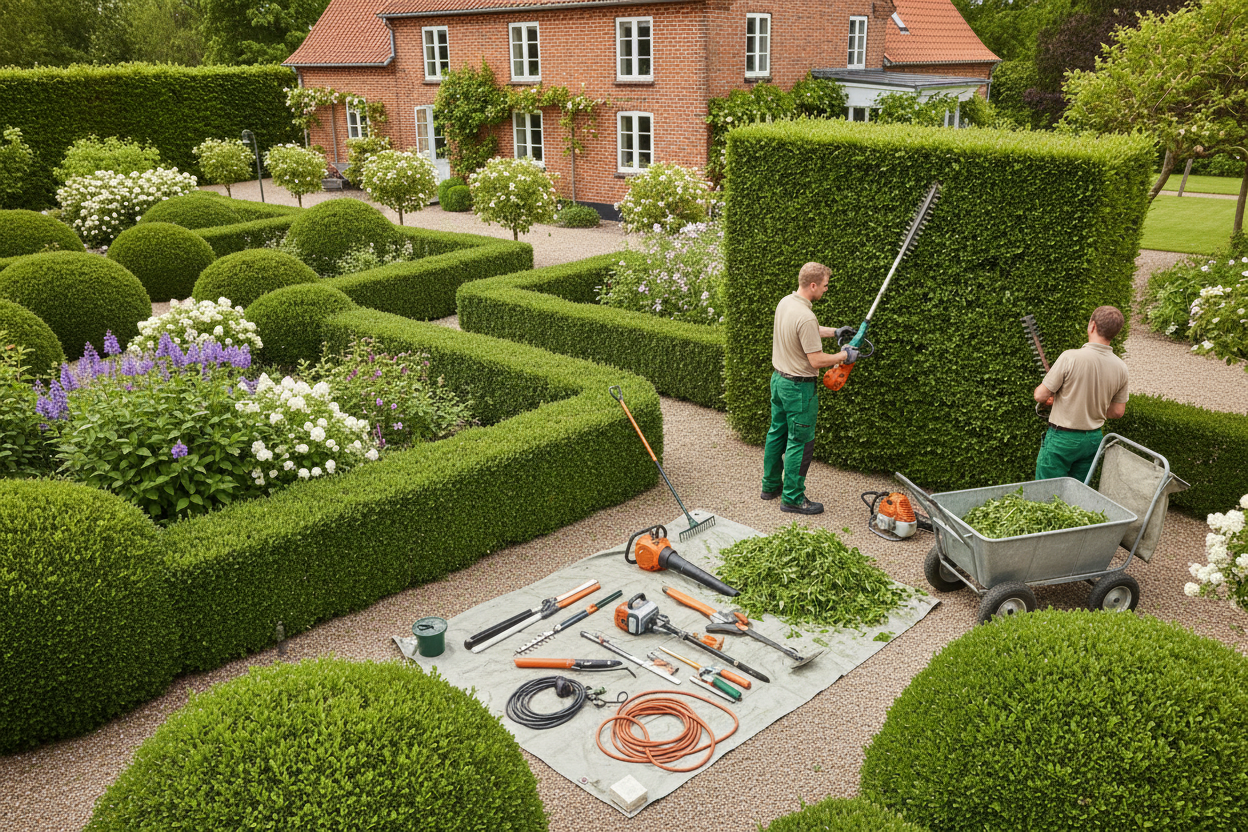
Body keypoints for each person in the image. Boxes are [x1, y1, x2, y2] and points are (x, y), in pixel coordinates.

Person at [760, 262, 858, 515]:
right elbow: (816, 360)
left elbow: (806, 331)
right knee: (800, 441)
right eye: (825, 285)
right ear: (813, 285)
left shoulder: (786, 303)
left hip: (779, 381)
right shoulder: (806, 315)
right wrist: (843, 355)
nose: (826, 289)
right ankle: (792, 498)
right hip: (799, 389)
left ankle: (770, 486)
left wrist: (835, 331)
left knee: (776, 433)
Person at [1032, 305, 1129, 481]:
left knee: (1045, 493)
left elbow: (1040, 396)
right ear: (1116, 333)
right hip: (1092, 439)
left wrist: (1047, 395)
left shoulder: (1071, 357)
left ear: (1092, 325)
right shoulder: (1121, 367)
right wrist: (1087, 409)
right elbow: (1117, 411)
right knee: (1077, 495)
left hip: (1063, 438)